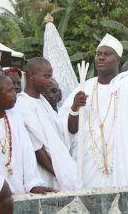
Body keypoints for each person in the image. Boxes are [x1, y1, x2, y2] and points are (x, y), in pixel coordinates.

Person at [59, 34, 128, 188]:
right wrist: (75, 108)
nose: (101, 58)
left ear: (118, 60)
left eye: (107, 54)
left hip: (121, 161)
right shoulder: (84, 88)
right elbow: (72, 130)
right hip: (90, 164)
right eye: (98, 54)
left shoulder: (126, 84)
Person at [15, 58, 82, 191]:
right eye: (46, 76)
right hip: (43, 173)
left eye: (51, 76)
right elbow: (36, 148)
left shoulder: (43, 102)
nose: (50, 81)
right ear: (31, 77)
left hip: (58, 171)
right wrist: (58, 173)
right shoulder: (22, 104)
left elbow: (59, 135)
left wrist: (75, 108)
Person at [0, 75, 53, 194]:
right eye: (10, 90)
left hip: (18, 188)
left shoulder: (16, 117)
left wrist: (33, 183)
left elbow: (27, 153)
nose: (15, 94)